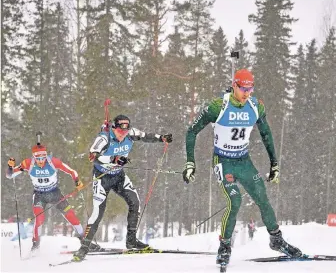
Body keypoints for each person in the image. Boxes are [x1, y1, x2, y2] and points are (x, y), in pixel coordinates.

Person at [182, 69, 302, 266]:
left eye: (250, 89)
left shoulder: (255, 106)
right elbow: (191, 132)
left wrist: (274, 163)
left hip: (244, 161)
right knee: (235, 201)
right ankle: (225, 246)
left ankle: (276, 239)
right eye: (243, 89)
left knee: (262, 198)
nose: (247, 93)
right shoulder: (218, 106)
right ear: (235, 86)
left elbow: (266, 134)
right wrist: (190, 162)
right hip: (223, 161)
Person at [73, 114, 172, 262]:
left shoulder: (131, 133)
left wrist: (161, 138)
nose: (123, 132)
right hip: (102, 177)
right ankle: (84, 248)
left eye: (126, 129)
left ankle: (131, 241)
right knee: (98, 213)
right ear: (114, 127)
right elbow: (92, 156)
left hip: (119, 176)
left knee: (135, 202)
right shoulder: (104, 138)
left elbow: (146, 136)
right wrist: (114, 159)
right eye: (120, 129)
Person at [6, 143, 85, 252]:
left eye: (43, 158)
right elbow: (10, 175)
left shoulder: (53, 162)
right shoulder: (28, 163)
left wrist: (77, 181)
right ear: (34, 157)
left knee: (70, 214)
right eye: (38, 158)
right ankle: (35, 244)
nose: (41, 161)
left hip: (54, 193)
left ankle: (84, 239)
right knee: (39, 218)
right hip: (39, 195)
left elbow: (72, 171)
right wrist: (10, 167)